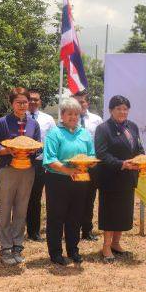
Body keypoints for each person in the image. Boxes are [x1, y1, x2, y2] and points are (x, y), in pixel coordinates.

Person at [0, 88, 40, 265]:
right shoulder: (3, 122)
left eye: (25, 102)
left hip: (27, 170)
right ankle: (5, 247)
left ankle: (18, 245)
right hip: (7, 169)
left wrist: (32, 150)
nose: (22, 105)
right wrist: (8, 150)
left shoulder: (34, 124)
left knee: (21, 207)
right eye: (18, 102)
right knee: (5, 208)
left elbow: (38, 146)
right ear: (11, 104)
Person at [43, 97, 96, 265]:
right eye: (70, 114)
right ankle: (56, 253)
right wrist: (68, 170)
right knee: (56, 217)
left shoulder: (85, 134)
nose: (73, 117)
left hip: (80, 180)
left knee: (75, 216)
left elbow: (91, 154)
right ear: (63, 115)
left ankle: (73, 250)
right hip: (58, 180)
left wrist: (90, 162)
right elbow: (50, 159)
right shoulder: (55, 133)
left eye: (76, 114)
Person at [94, 95, 145, 263]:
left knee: (124, 212)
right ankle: (106, 246)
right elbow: (102, 154)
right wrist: (122, 164)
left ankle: (116, 244)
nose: (122, 112)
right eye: (119, 109)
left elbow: (138, 147)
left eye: (125, 109)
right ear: (111, 110)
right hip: (111, 176)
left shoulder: (133, 127)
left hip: (129, 178)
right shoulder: (103, 129)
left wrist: (142, 160)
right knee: (110, 212)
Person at [25, 89, 57, 242]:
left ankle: (33, 231)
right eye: (30, 99)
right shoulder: (20, 117)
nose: (32, 102)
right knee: (19, 197)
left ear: (40, 102)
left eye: (35, 100)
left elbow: (52, 141)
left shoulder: (48, 119)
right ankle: (16, 230)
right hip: (22, 161)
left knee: (36, 197)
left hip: (40, 162)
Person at [74, 90, 103, 241]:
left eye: (82, 101)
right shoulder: (70, 120)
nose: (80, 104)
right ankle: (72, 230)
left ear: (87, 103)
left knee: (89, 199)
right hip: (75, 166)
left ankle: (87, 230)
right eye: (77, 102)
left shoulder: (97, 120)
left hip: (93, 166)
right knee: (74, 198)